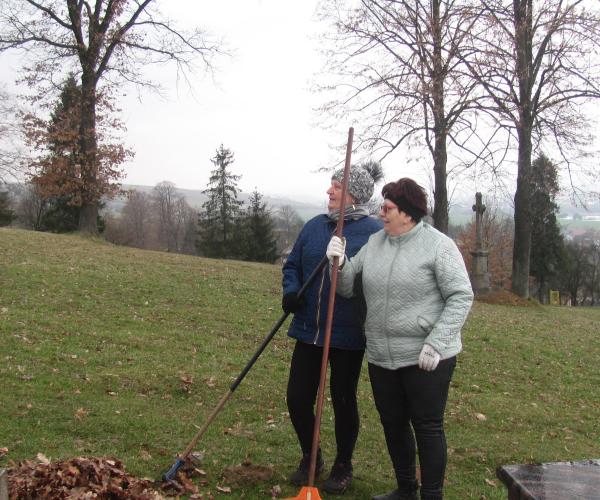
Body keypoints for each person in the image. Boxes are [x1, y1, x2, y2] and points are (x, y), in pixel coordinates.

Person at [326, 177, 473, 500]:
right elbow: (347, 286)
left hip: (427, 356)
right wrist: (337, 262)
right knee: (393, 424)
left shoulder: (438, 246)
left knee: (427, 426)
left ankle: (432, 494)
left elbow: (461, 296)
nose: (381, 213)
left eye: (388, 208)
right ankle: (406, 489)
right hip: (381, 355)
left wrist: (437, 342)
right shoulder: (377, 243)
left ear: (407, 213)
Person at [282, 164, 383, 494]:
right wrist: (291, 292)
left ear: (353, 194)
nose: (329, 191)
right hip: (309, 329)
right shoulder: (314, 227)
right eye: (330, 185)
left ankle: (343, 464)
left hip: (347, 333)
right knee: (297, 398)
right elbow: (292, 265)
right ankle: (311, 455)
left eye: (336, 187)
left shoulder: (373, 233)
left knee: (342, 399)